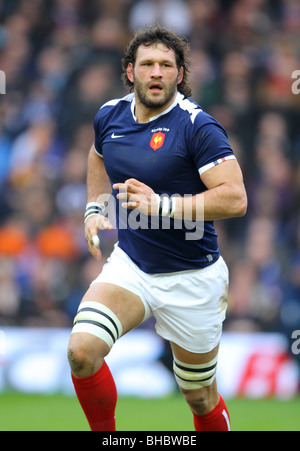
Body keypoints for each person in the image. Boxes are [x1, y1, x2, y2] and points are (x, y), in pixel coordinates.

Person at [67, 25, 247, 432]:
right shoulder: (109, 116)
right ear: (130, 71)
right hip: (132, 266)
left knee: (200, 397)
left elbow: (235, 198)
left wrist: (161, 205)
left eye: (166, 65)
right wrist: (95, 207)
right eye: (147, 64)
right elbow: (97, 155)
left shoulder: (197, 126)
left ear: (179, 75)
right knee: (81, 352)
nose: (156, 73)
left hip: (192, 277)